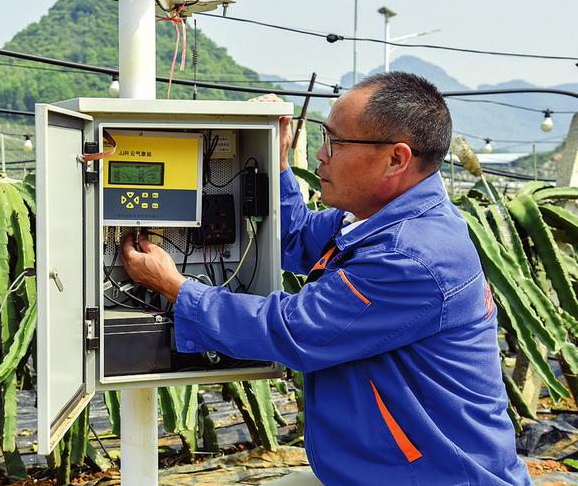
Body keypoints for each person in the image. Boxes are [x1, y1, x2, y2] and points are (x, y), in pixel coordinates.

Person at [120, 72, 531, 485]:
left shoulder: (411, 255)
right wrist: (277, 163)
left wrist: (176, 287)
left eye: (336, 142)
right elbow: (296, 237)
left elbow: (294, 330)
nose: (321, 154)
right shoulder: (378, 220)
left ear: (396, 159)